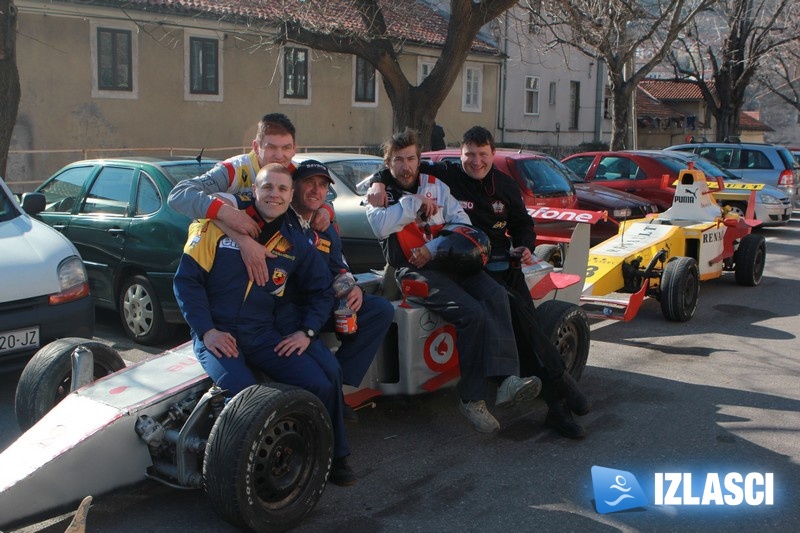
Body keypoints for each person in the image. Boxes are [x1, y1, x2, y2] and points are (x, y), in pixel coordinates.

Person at [368, 126, 591, 439]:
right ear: (459, 155)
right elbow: (398, 172)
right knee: (502, 316)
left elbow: (522, 225)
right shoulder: (445, 175)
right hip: (461, 262)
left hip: (501, 263)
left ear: (493, 154)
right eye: (469, 154)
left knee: (527, 328)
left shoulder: (505, 185)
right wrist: (380, 179)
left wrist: (525, 245)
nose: (475, 161)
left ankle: (556, 401)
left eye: (482, 155)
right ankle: (537, 386)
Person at [173, 163, 356, 486]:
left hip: (263, 335)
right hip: (218, 336)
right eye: (267, 187)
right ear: (254, 190)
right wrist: (207, 330)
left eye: (282, 189)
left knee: (321, 383)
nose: (275, 194)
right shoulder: (216, 225)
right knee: (246, 394)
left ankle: (330, 457)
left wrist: (307, 332)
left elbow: (320, 291)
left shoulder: (297, 241)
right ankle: (234, 478)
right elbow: (186, 283)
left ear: (290, 196)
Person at [276, 159, 395, 420]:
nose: (316, 190)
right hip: (291, 310)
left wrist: (351, 289)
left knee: (379, 310)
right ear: (294, 187)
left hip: (323, 304)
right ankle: (331, 397)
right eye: (309, 183)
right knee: (321, 360)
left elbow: (339, 269)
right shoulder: (281, 221)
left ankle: (336, 384)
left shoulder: (326, 226)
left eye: (322, 186)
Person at [167, 113, 333, 287]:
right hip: (219, 257)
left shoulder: (294, 171)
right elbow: (178, 195)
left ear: (294, 149)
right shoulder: (234, 169)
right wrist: (226, 214)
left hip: (274, 258)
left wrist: (326, 210)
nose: (279, 155)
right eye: (271, 147)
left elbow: (320, 197)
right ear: (256, 146)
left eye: (286, 148)